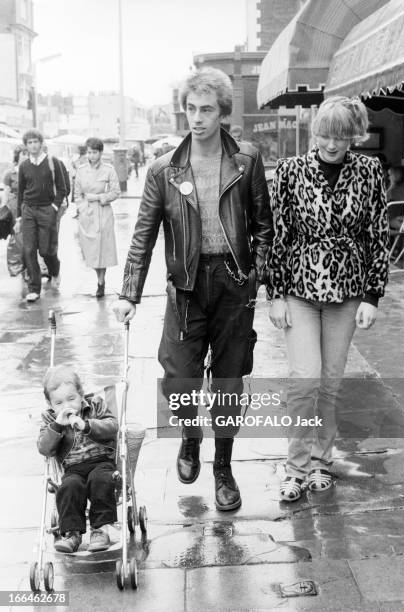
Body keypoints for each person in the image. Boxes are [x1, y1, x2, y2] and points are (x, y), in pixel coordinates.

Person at [113, 67, 273, 511]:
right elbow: (143, 235)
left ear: (222, 112)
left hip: (232, 284)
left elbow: (264, 227)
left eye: (206, 109)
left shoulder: (246, 159)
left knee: (228, 380)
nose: (197, 118)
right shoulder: (163, 169)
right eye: (190, 108)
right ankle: (189, 435)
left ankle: (223, 466)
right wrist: (129, 292)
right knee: (177, 378)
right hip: (185, 288)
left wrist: (253, 277)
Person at [267, 96, 389, 502]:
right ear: (314, 131)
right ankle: (296, 467)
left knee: (331, 384)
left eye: (340, 136)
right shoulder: (289, 171)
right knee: (305, 380)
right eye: (323, 134)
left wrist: (373, 295)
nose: (331, 144)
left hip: (348, 291)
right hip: (299, 289)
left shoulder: (369, 171)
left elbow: (377, 236)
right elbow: (279, 235)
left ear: (354, 135)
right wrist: (276, 293)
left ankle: (322, 460)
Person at [37, 365, 118, 553]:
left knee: (101, 480)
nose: (66, 406)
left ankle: (100, 530)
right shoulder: (50, 419)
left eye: (72, 399)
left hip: (101, 461)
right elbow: (44, 448)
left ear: (81, 395)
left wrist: (87, 425)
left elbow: (113, 426)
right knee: (69, 487)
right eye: (58, 403)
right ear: (50, 404)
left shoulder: (95, 405)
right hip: (73, 468)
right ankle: (72, 534)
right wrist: (57, 426)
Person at [15, 129, 68, 302]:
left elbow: (63, 188)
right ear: (26, 145)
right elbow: (21, 192)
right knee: (29, 249)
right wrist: (19, 216)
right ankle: (34, 288)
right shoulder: (23, 165)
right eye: (29, 143)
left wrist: (54, 207)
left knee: (46, 250)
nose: (33, 145)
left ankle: (55, 271)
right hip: (29, 209)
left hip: (47, 209)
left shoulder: (54, 162)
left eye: (35, 141)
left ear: (41, 142)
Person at [74, 137, 121, 298]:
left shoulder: (109, 169)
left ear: (100, 153)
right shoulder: (81, 170)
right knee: (91, 249)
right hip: (87, 213)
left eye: (94, 152)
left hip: (104, 212)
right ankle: (98, 276)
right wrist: (82, 209)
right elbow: (77, 194)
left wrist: (99, 197)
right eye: (89, 152)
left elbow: (116, 192)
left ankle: (101, 282)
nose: (91, 155)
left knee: (103, 249)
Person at [2, 145, 28, 285]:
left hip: (28, 205)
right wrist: (4, 208)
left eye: (26, 154)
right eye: (22, 155)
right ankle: (21, 268)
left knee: (29, 237)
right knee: (17, 238)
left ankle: (29, 267)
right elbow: (6, 192)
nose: (24, 157)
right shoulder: (10, 173)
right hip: (14, 207)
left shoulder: (31, 170)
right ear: (17, 157)